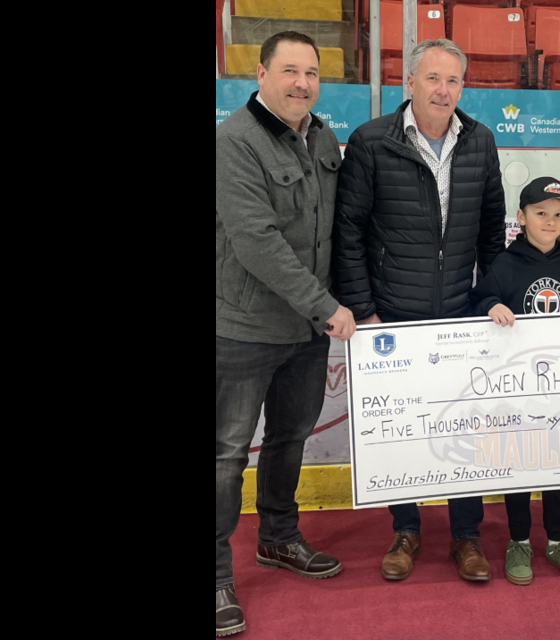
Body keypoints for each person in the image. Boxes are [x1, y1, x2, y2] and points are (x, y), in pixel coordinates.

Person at [336, 39, 506, 582]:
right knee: (402, 430)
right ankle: (406, 531)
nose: (443, 90)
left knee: (464, 429)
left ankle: (467, 537)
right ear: (408, 84)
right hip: (393, 317)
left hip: (460, 315)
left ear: (463, 86)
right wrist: (365, 310)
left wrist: (490, 300)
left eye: (453, 80)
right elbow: (350, 235)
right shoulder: (370, 142)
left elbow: (491, 234)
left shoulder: (480, 141)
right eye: (432, 78)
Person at [215, 31, 356, 637]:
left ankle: (277, 536)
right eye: (290, 70)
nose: (302, 82)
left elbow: (334, 229)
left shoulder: (322, 135)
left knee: (291, 438)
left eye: (311, 72)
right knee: (225, 454)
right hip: (244, 329)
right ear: (261, 73)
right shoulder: (231, 142)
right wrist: (326, 306)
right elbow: (258, 244)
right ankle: (218, 572)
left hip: (306, 329)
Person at [469, 177, 560, 585]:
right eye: (541, 214)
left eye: (558, 215)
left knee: (558, 467)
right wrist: (492, 306)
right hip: (516, 391)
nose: (551, 221)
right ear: (521, 218)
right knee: (520, 466)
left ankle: (557, 540)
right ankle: (518, 540)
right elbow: (479, 301)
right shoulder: (505, 264)